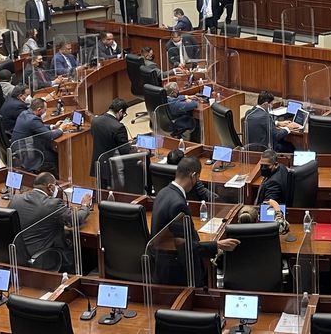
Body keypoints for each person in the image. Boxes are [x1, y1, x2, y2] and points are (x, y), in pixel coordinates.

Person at [150, 156, 239, 286]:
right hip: (178, 275)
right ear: (193, 176)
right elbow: (184, 248)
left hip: (161, 267)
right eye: (198, 178)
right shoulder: (178, 204)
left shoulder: (163, 192)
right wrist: (218, 245)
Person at [9, 172, 91, 273]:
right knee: (86, 253)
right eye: (55, 185)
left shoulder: (16, 199)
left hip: (17, 255)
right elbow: (76, 220)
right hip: (42, 257)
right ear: (50, 187)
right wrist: (85, 206)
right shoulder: (53, 204)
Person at [10, 98, 73, 176]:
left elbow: (38, 127)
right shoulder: (33, 119)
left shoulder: (24, 113)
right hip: (29, 154)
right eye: (45, 109)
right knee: (57, 156)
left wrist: (53, 126)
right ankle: (59, 179)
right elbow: (50, 136)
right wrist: (61, 129)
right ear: (39, 110)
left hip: (20, 150)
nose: (45, 112)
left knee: (50, 149)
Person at [89, 98, 131, 188]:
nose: (123, 116)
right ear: (120, 111)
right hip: (113, 168)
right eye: (124, 114)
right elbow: (124, 151)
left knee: (102, 191)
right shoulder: (118, 127)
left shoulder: (95, 121)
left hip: (98, 164)